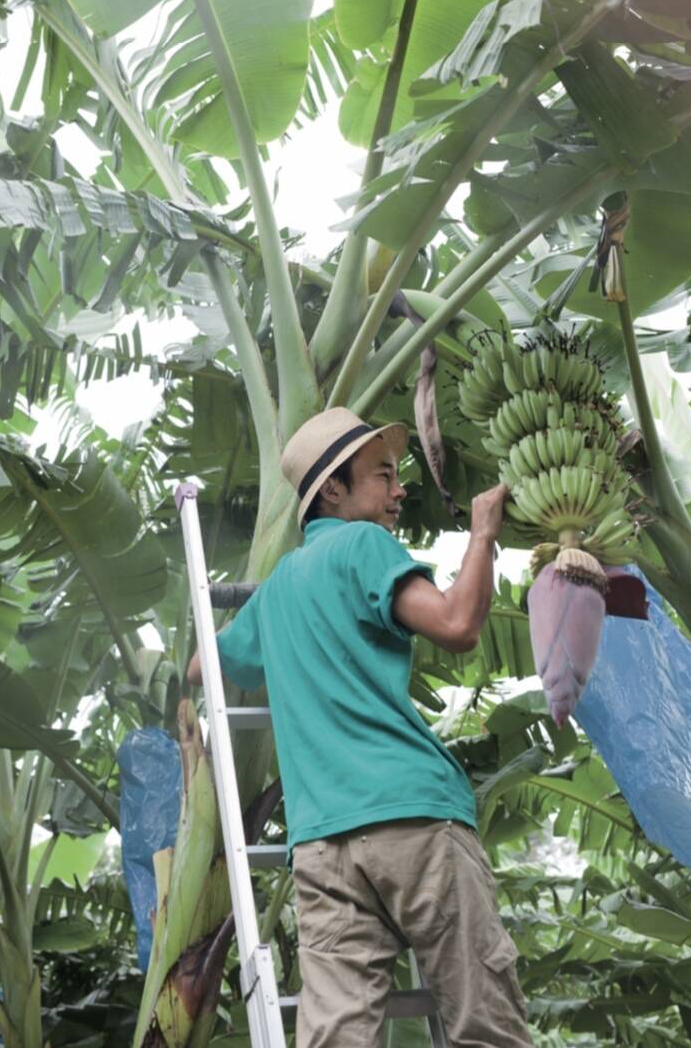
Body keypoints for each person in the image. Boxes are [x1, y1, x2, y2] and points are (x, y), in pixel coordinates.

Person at [187, 407, 533, 1047]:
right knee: (486, 1024)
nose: (399, 489)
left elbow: (202, 664)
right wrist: (482, 533)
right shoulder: (364, 544)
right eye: (383, 475)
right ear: (334, 491)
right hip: (412, 820)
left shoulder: (279, 588)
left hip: (322, 845)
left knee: (337, 1037)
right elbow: (457, 625)